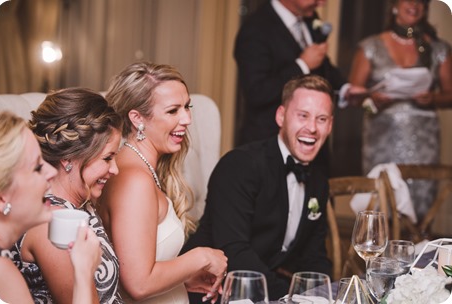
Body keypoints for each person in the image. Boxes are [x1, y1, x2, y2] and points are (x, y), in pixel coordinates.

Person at [184, 74, 334, 300]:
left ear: (330, 125)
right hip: (212, 292)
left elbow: (315, 255)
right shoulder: (240, 165)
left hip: (266, 292)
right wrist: (290, 298)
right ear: (281, 116)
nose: (312, 127)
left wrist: (322, 295)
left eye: (321, 119)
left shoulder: (319, 180)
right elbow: (235, 251)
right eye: (303, 116)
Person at [97, 61, 227, 304]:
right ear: (137, 118)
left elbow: (137, 266)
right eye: (173, 111)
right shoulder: (133, 180)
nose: (187, 119)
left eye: (187, 107)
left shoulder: (139, 167)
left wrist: (183, 279)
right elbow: (138, 284)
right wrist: (201, 257)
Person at [10, 88, 124, 303]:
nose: (115, 169)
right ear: (69, 159)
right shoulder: (53, 223)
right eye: (107, 158)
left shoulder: (81, 204)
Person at [347, 0, 452, 220]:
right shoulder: (371, 46)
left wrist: (432, 97)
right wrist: (372, 96)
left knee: (420, 198)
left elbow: (449, 94)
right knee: (380, 199)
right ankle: (377, 250)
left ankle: (418, 246)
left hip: (423, 138)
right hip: (382, 135)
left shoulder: (437, 48)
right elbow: (352, 95)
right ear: (394, 6)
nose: (414, 4)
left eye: (420, 1)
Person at [0, 111, 102, 304]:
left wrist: (81, 273)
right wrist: (84, 274)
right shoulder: (1, 272)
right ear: (1, 199)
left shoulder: (3, 267)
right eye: (37, 168)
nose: (52, 171)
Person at [233, 0, 347, 172]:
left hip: (314, 155)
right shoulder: (254, 29)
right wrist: (302, 65)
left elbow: (323, 65)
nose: (322, 3)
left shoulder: (309, 19)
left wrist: (347, 89)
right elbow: (257, 91)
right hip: (269, 151)